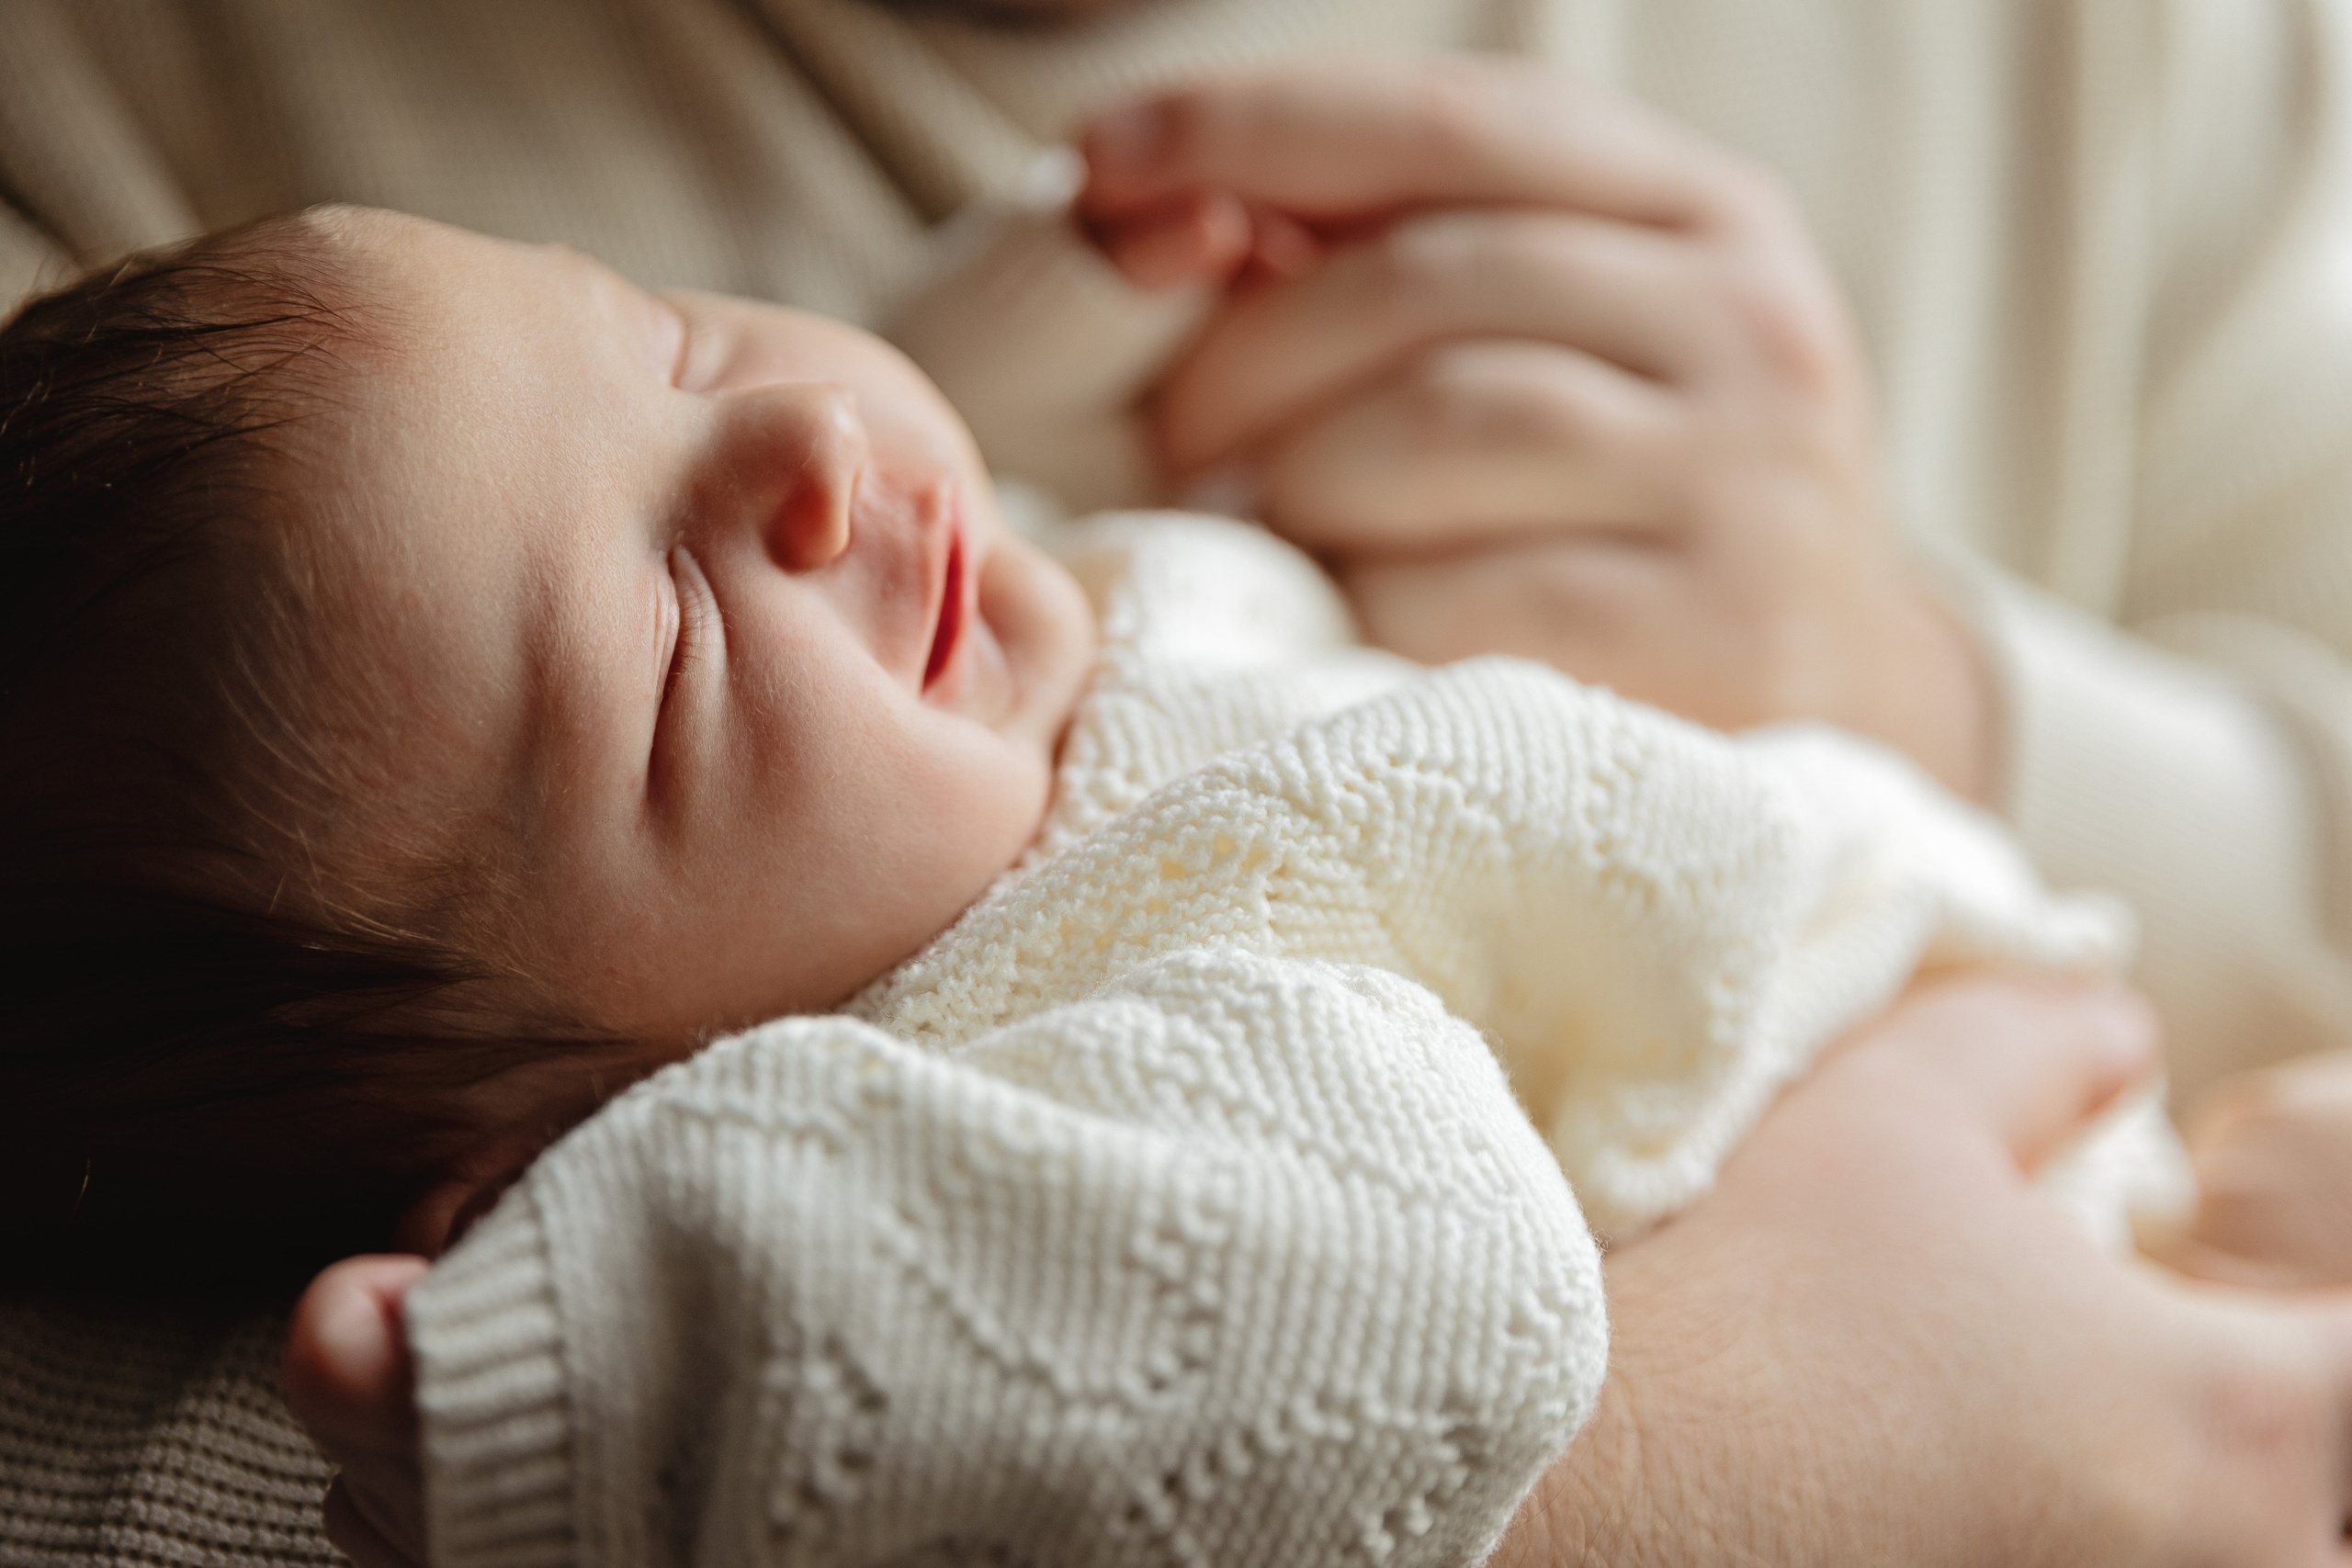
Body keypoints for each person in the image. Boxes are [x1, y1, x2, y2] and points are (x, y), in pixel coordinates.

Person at [4, 3, 2350, 1562]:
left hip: (2043, 1056)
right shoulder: (1108, 1041)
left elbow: (858, 464)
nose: (818, 447)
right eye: (664, 652)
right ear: (564, 1155)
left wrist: (1929, 680)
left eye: (669, 327)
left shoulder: (935, 693)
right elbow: (1327, 1312)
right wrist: (593, 1363)